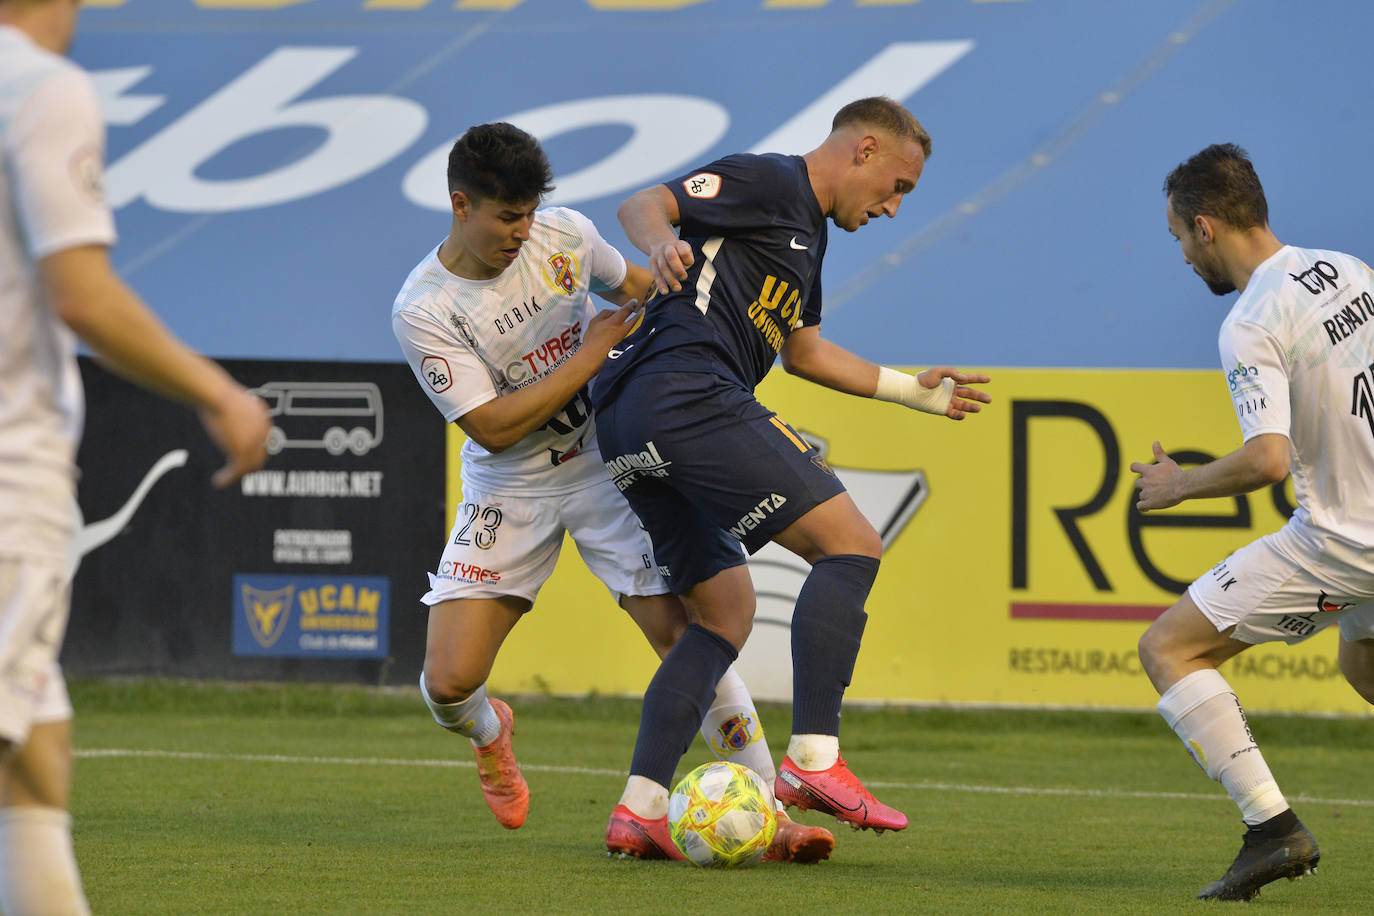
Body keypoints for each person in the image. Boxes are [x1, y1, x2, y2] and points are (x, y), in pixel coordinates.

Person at [390, 122, 833, 863]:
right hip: (513, 482)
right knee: (447, 682)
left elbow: (641, 291)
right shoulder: (424, 308)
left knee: (688, 634)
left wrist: (713, 341)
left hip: (609, 461)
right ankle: (492, 734)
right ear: (460, 205)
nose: (521, 231)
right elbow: (494, 428)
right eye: (506, 217)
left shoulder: (562, 235)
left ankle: (770, 810)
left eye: (530, 212)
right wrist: (591, 353)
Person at [590, 96, 991, 852]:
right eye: (899, 186)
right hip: (687, 390)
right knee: (852, 546)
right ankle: (814, 760)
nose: (895, 209)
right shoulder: (773, 181)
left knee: (723, 616)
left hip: (629, 422)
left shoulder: (804, 239)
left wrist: (915, 392)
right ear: (864, 151)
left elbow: (803, 352)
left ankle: (640, 807)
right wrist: (661, 245)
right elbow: (644, 202)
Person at [0, 1, 272, 912]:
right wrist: (220, 393)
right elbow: (79, 294)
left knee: (37, 753)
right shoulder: (41, 87)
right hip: (8, 473)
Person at [1133, 142, 1374, 901]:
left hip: (1346, 538)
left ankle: (1273, 829)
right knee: (1364, 667)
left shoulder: (1252, 321)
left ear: (1206, 227)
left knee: (1169, 647)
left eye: (1177, 237)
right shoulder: (1346, 269)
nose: (1181, 256)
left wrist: (1179, 486)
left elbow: (1267, 460)